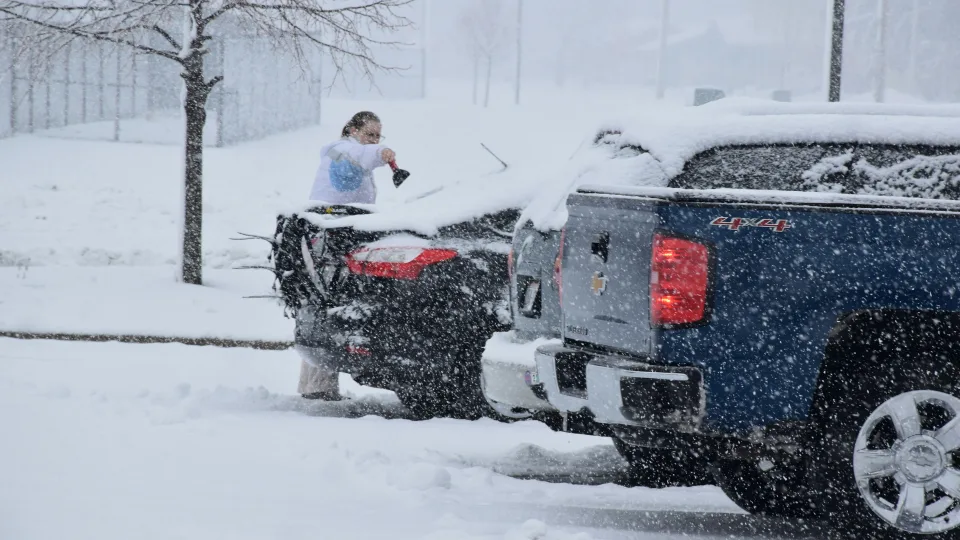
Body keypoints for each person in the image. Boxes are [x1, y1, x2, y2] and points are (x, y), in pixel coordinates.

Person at [298, 111, 396, 401]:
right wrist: (383, 152)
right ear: (352, 130)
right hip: (327, 242)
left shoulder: (346, 154)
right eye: (369, 134)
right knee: (324, 308)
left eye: (378, 136)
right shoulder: (343, 150)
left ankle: (319, 386)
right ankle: (317, 388)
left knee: (327, 309)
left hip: (334, 238)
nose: (373, 140)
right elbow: (362, 155)